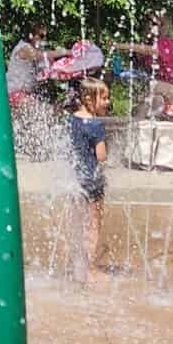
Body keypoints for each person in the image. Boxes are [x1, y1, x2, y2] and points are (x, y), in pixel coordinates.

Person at [67, 76, 112, 276]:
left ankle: (75, 261)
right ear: (88, 98)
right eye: (103, 98)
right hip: (92, 180)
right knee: (94, 224)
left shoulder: (72, 119)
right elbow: (101, 156)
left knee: (77, 221)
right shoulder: (95, 125)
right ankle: (90, 268)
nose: (107, 102)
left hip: (75, 177)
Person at [5, 24, 48, 108]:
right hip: (14, 93)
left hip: (25, 94)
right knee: (42, 111)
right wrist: (66, 52)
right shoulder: (23, 48)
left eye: (45, 36)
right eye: (41, 36)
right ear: (31, 35)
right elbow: (38, 55)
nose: (44, 39)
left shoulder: (37, 50)